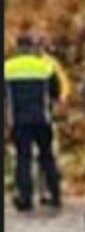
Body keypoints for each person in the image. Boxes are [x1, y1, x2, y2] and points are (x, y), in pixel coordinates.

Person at [4, 33, 64, 214]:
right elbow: (56, 92)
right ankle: (55, 195)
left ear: (17, 48)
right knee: (47, 157)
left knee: (23, 159)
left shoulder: (7, 68)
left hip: (19, 121)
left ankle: (25, 199)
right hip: (42, 119)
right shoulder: (45, 67)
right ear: (32, 47)